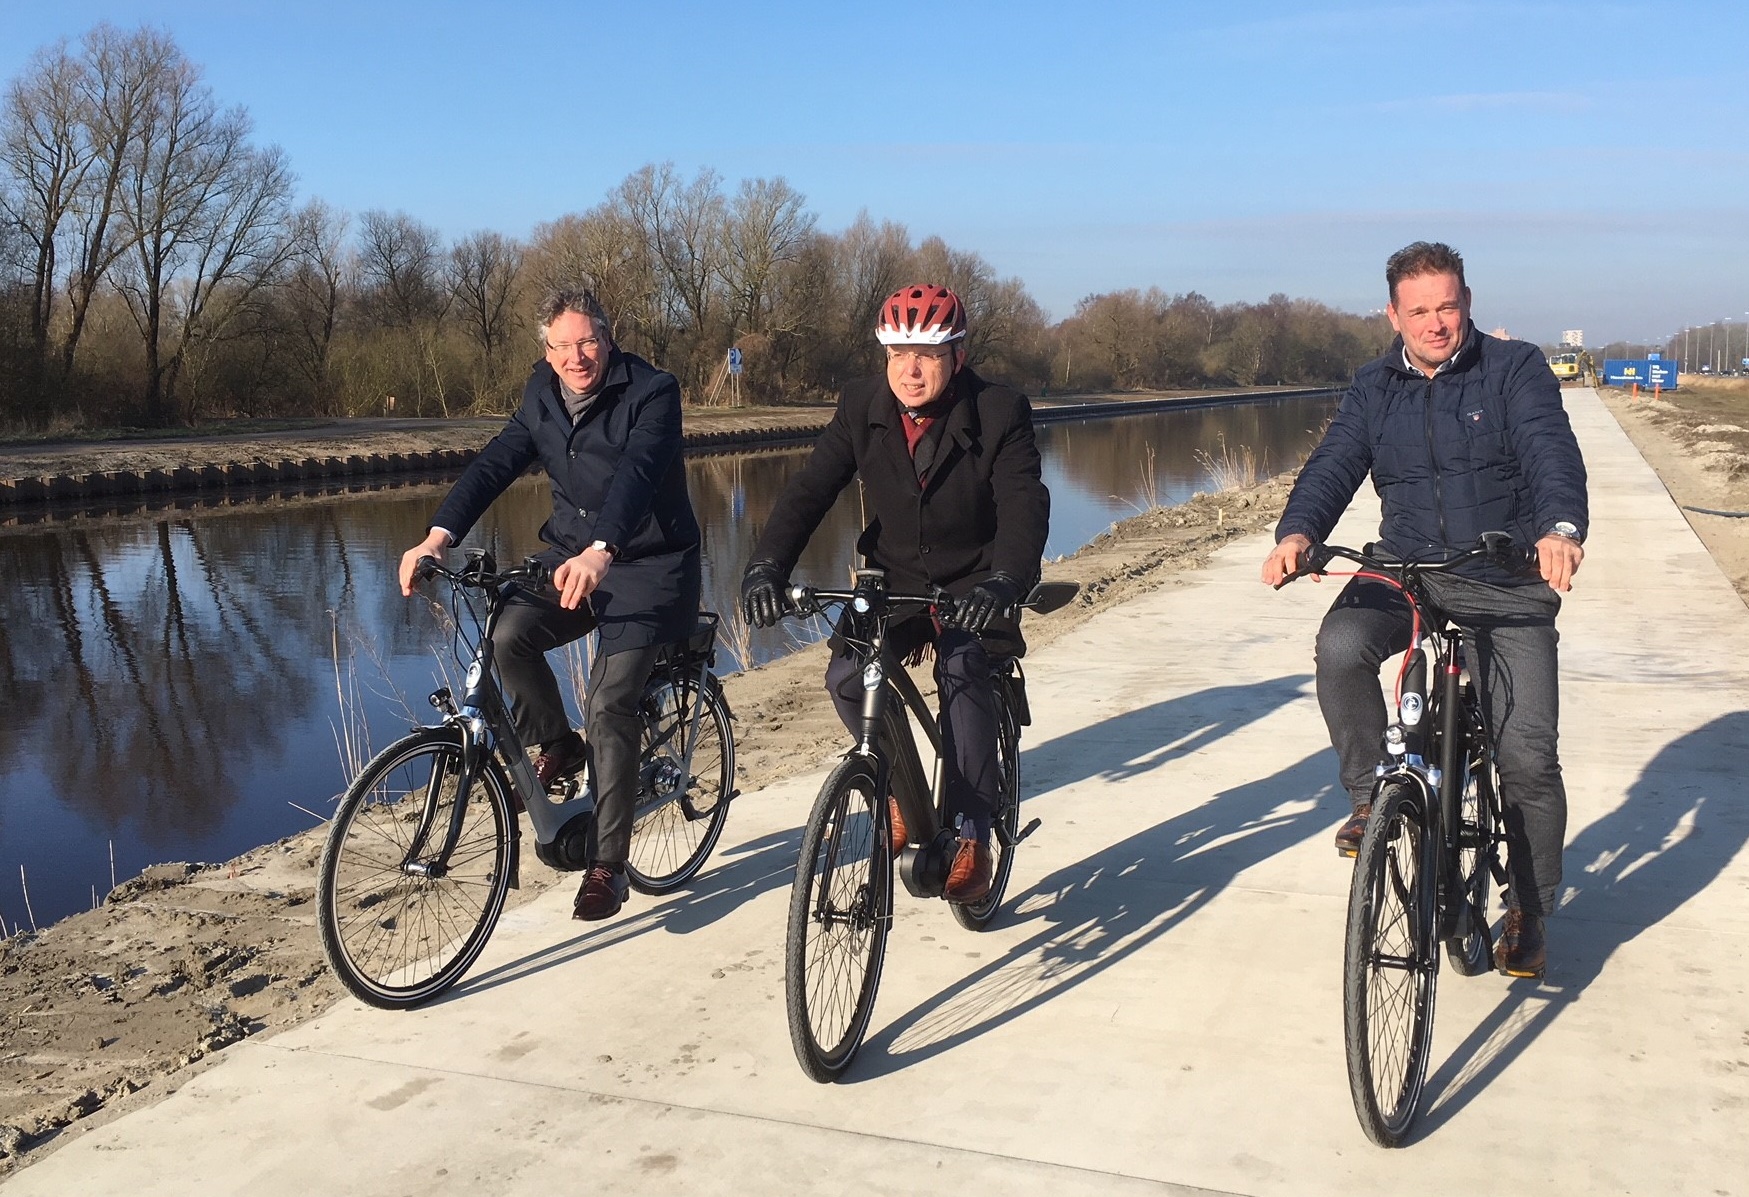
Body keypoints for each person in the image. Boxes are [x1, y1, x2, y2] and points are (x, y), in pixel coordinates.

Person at [1260, 242, 1588, 978]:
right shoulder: (1373, 384)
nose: (1435, 324)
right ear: (1393, 315)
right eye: (1418, 311)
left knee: (1526, 758)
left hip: (1504, 580)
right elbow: (1336, 462)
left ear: (1466, 301)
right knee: (1339, 644)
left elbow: (1549, 452)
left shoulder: (1515, 370)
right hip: (1408, 572)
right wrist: (1296, 532)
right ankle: (1370, 794)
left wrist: (1559, 531)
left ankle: (1528, 906)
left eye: (1446, 306)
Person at [398, 288, 701, 922]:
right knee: (509, 637)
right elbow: (496, 463)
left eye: (588, 341)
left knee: (610, 701)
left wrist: (603, 548)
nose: (575, 356)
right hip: (569, 558)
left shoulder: (652, 391)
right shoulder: (541, 391)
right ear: (546, 349)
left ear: (608, 340)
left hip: (647, 565)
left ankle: (608, 865)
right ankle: (559, 744)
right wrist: (437, 535)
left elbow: (639, 474)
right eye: (561, 345)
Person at [740, 284, 1050, 903]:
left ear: (957, 356)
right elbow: (810, 490)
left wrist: (1008, 579)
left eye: (927, 354)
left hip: (975, 581)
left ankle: (970, 833)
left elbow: (1024, 503)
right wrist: (766, 566)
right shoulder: (861, 404)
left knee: (963, 676)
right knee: (847, 678)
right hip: (894, 579)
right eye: (898, 353)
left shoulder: (999, 411)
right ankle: (901, 791)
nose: (910, 369)